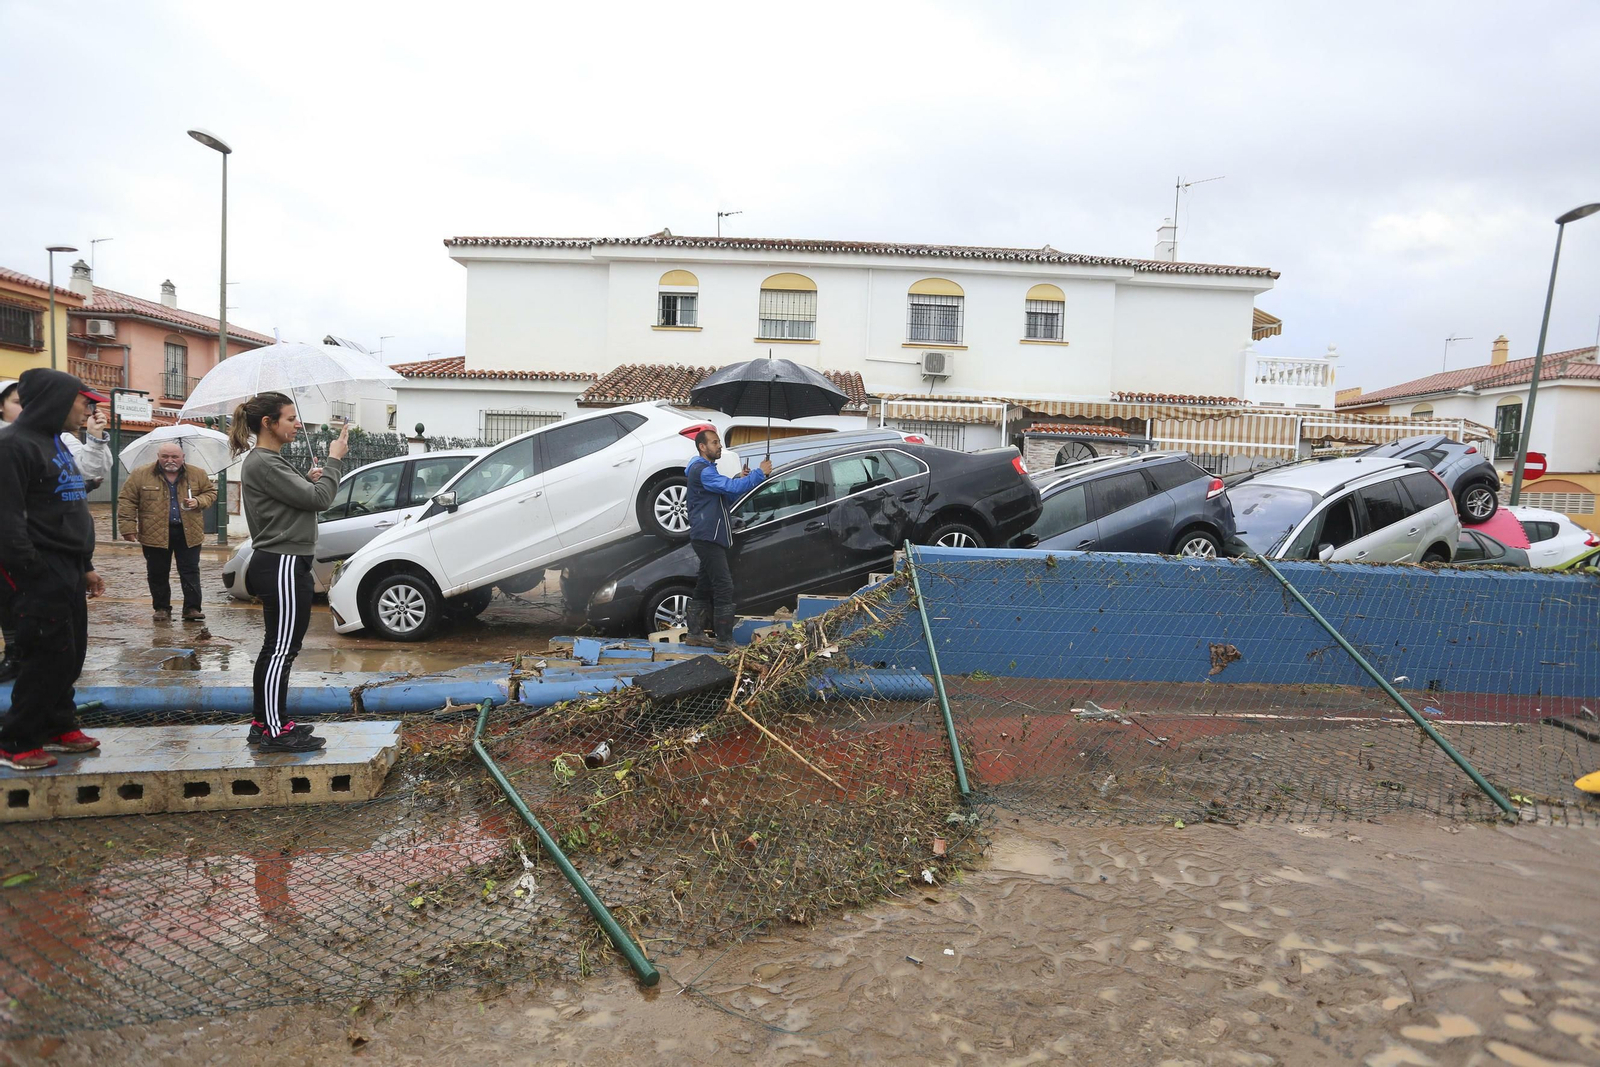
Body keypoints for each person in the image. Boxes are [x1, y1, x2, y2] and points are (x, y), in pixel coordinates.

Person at [0, 369, 107, 770]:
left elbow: (65, 507)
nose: (89, 409)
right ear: (56, 401)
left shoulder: (55, 443)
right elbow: (7, 523)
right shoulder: (11, 446)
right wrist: (33, 573)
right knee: (44, 656)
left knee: (69, 653)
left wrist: (85, 566)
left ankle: (59, 725)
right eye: (84, 401)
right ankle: (17, 741)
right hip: (36, 571)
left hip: (66, 567)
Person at [231, 393, 348, 752]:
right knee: (281, 650)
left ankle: (266, 721)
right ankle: (273, 731)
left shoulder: (270, 462)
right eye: (290, 418)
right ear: (268, 423)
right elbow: (320, 500)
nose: (297, 424)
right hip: (281, 562)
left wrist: (312, 478)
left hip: (286, 560)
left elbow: (302, 498)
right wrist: (333, 460)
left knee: (279, 648)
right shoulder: (265, 462)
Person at [683, 429, 771, 651]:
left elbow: (728, 495)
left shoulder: (708, 470)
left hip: (709, 536)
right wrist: (759, 474)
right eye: (714, 443)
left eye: (719, 442)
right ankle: (724, 640)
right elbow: (730, 489)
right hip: (708, 536)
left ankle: (695, 634)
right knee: (723, 585)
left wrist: (740, 479)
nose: (719, 446)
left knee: (704, 585)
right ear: (702, 447)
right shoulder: (701, 470)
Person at [118, 442, 218, 621]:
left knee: (190, 571)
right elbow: (127, 500)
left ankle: (192, 609)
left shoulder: (197, 474)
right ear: (158, 457)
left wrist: (198, 501)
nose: (170, 460)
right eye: (165, 457)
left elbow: (211, 492)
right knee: (157, 572)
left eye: (174, 457)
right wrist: (127, 528)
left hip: (189, 531)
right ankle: (162, 608)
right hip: (153, 532)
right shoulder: (140, 474)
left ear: (183, 458)